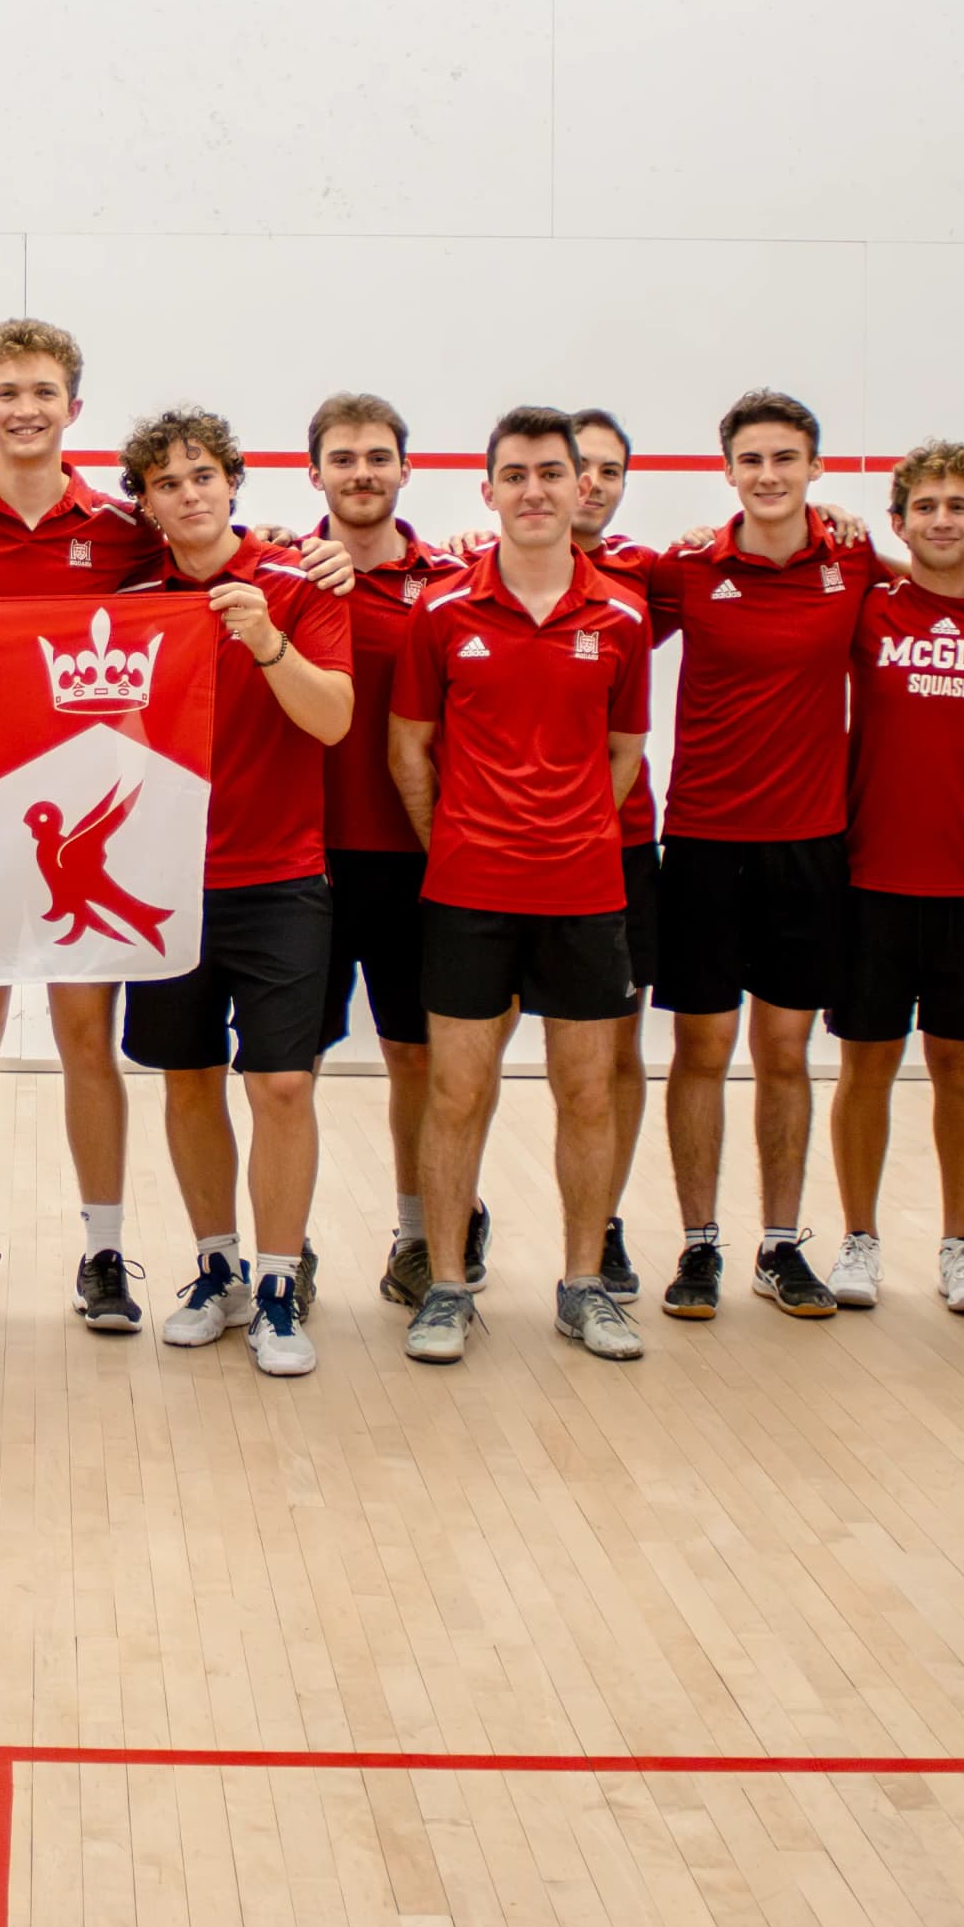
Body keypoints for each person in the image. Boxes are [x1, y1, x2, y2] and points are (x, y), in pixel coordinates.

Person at [388, 407, 653, 1367]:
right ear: (489, 488)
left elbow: (624, 750)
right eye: (516, 474)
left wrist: (569, 832)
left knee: (588, 1091)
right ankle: (449, 1287)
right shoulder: (442, 611)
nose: (535, 490)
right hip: (467, 892)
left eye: (553, 473)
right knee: (457, 1090)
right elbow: (408, 748)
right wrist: (460, 840)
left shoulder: (623, 615)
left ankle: (584, 1285)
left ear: (581, 485)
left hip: (586, 894)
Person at [0, 320, 161, 1334]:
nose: (26, 407)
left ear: (73, 406)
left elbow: (207, 556)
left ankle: (104, 1253)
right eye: (7, 391)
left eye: (43, 391)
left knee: (82, 1037)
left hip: (82, 829)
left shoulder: (121, 528)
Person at [117, 409, 355, 1378]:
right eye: (167, 483)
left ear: (233, 483)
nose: (189, 493)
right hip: (166, 886)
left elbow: (333, 720)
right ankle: (215, 1268)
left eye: (204, 475)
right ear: (146, 504)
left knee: (283, 1083)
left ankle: (277, 1280)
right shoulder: (132, 599)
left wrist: (265, 640)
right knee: (188, 1079)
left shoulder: (301, 580)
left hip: (282, 876)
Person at [637, 389, 873, 1321]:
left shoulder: (851, 559)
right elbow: (586, 595)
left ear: (814, 466)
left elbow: (926, 572)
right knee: (702, 1049)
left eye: (786, 458)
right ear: (727, 470)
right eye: (752, 461)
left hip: (810, 850)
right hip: (700, 844)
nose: (768, 475)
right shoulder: (689, 567)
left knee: (784, 1052)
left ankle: (781, 1245)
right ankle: (699, 1247)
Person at [823, 443, 964, 1317]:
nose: (943, 519)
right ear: (902, 522)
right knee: (865, 1068)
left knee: (961, 1070)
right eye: (926, 507)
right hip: (872, 878)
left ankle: (959, 1245)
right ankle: (859, 1239)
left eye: (959, 507)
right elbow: (832, 539)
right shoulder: (871, 608)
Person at [301, 396, 476, 1312]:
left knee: (417, 1059)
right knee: (294, 1070)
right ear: (316, 473)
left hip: (417, 859)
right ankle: (286, 1249)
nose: (361, 472)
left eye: (377, 457)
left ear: (406, 469)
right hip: (306, 863)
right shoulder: (285, 573)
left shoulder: (451, 579)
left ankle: (419, 1234)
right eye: (343, 458)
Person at [565, 407, 659, 1299]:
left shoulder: (650, 574)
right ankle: (457, 1215)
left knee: (612, 1054)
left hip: (620, 851)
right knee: (464, 1059)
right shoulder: (468, 566)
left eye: (607, 470)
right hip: (496, 861)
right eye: (574, 467)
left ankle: (603, 1223)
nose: (589, 484)